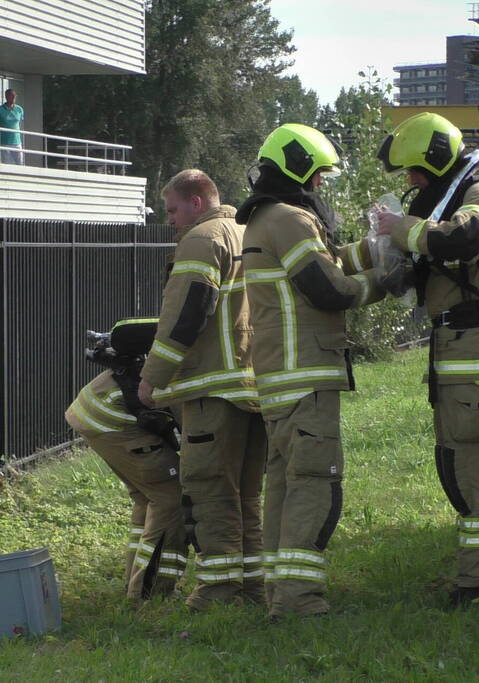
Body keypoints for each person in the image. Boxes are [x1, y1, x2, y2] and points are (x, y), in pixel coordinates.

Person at [237, 124, 384, 620]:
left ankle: (283, 596)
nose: (321, 187)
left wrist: (374, 248)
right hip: (306, 379)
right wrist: (386, 280)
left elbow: (329, 262)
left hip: (279, 380)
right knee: (315, 484)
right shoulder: (291, 220)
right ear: (299, 169)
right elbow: (330, 290)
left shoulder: (264, 219)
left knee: (283, 486)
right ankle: (301, 602)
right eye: (319, 177)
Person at [375, 113, 479, 606]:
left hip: (478, 354)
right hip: (455, 352)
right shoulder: (447, 196)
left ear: (436, 159)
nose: (412, 181)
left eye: (415, 170)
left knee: (475, 464)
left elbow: (464, 240)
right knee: (455, 462)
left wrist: (404, 228)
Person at [137, 169, 265, 611]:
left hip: (213, 390)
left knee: (211, 490)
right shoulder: (247, 231)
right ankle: (252, 587)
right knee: (247, 496)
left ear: (196, 202)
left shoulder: (200, 239)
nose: (169, 219)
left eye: (172, 209)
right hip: (254, 387)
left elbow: (187, 312)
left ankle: (219, 592)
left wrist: (153, 376)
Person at [65, 328, 188, 600]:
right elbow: (189, 430)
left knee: (148, 498)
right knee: (170, 498)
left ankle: (135, 580)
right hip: (114, 420)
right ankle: (150, 591)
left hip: (95, 410)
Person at [0, 89, 25, 165]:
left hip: (17, 142)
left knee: (20, 163)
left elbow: (19, 122)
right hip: (5, 142)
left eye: (15, 96)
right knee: (6, 164)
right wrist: (2, 132)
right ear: (7, 97)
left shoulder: (19, 109)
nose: (14, 97)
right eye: (12, 95)